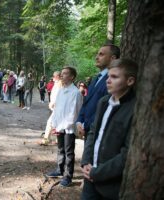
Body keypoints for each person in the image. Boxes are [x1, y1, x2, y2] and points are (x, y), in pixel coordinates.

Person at [81, 58, 138, 200]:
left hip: (112, 185)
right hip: (90, 177)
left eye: (114, 77)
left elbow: (127, 153)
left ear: (130, 81)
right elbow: (93, 133)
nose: (108, 80)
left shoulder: (135, 109)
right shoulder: (103, 102)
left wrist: (98, 173)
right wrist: (86, 161)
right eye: (108, 76)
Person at [46, 67, 83, 187]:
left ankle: (68, 176)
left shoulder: (76, 92)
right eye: (61, 73)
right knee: (60, 149)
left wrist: (65, 125)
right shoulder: (61, 90)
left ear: (72, 77)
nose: (62, 75)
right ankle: (59, 169)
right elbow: (57, 109)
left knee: (69, 152)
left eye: (65, 73)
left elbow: (75, 112)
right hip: (59, 126)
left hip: (69, 127)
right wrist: (55, 124)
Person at [76, 44, 120, 140]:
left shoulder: (112, 80)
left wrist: (85, 125)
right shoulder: (96, 78)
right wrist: (79, 121)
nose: (96, 57)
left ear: (113, 58)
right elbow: (86, 102)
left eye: (101, 54)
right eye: (97, 54)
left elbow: (105, 108)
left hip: (99, 132)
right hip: (88, 130)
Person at [40, 71, 61, 145]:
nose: (53, 78)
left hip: (57, 107)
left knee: (50, 122)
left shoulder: (60, 84)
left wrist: (53, 103)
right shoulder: (57, 83)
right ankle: (57, 140)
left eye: (54, 76)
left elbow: (58, 95)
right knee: (56, 123)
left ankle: (46, 139)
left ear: (57, 76)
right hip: (55, 107)